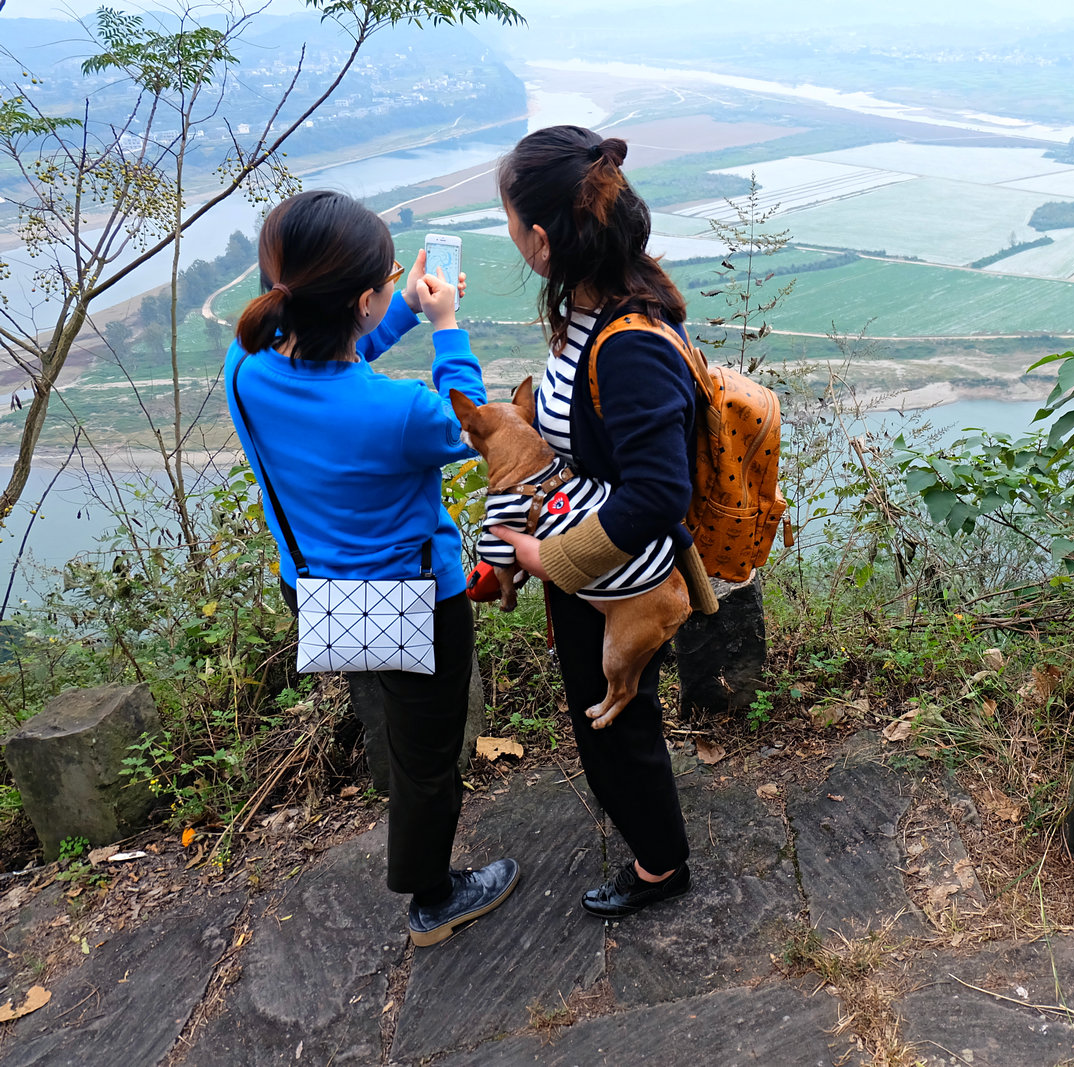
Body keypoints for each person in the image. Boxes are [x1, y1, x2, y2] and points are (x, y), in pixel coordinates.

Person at [225, 190, 519, 946]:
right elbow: (475, 420)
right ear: (360, 300)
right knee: (427, 758)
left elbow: (335, 362)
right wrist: (446, 323)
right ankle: (433, 897)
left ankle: (414, 839)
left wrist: (401, 311)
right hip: (415, 603)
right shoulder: (404, 415)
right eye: (387, 278)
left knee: (392, 717)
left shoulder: (245, 366)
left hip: (319, 593)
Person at [488, 125, 717, 918]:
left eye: (511, 223)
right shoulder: (597, 305)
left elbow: (655, 491)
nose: (510, 237)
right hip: (598, 570)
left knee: (617, 727)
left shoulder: (626, 343)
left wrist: (554, 559)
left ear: (543, 240)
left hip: (624, 577)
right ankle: (655, 845)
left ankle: (661, 864)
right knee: (610, 722)